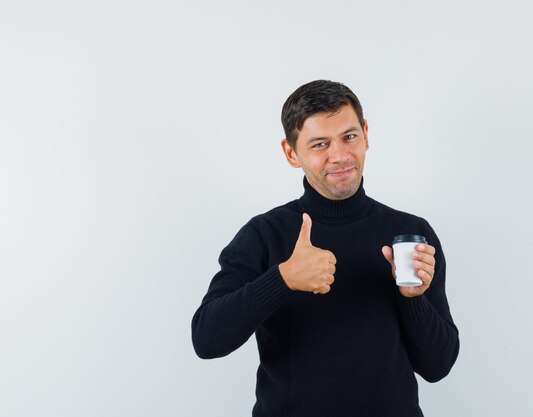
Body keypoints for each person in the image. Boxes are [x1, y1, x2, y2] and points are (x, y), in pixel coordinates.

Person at [191, 80, 459, 417]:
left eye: (349, 137)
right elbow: (207, 339)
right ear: (291, 153)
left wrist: (413, 298)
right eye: (320, 144)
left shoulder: (410, 234)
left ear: (365, 134)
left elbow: (438, 366)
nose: (340, 155)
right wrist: (283, 278)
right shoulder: (264, 234)